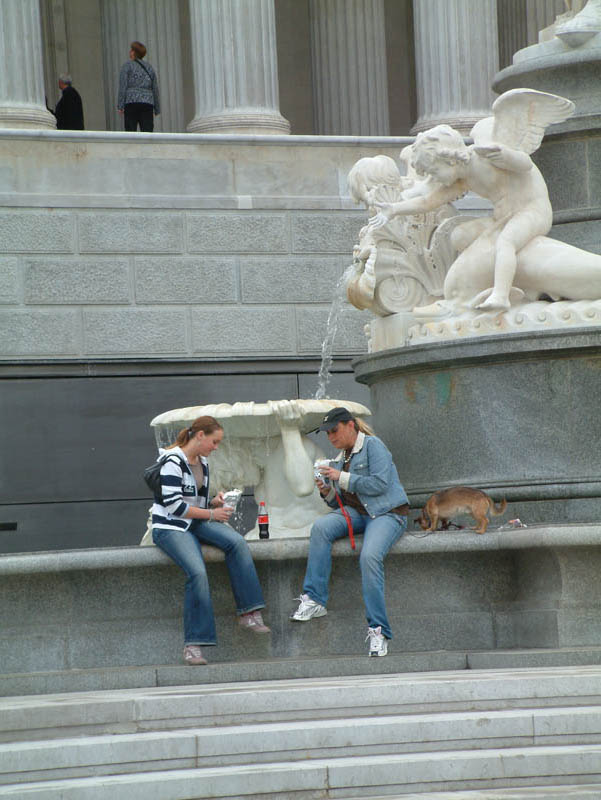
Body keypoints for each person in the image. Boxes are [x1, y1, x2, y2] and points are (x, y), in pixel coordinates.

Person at [290, 407, 409, 657]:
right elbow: (342, 503)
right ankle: (315, 599)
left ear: (350, 425)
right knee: (321, 528)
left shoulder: (373, 446)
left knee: (369, 557)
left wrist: (341, 477)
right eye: (327, 433)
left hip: (388, 513)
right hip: (361, 514)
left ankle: (379, 630)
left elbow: (379, 484)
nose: (331, 437)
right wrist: (327, 492)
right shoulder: (342, 456)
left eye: (334, 430)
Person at [152, 415, 270, 666]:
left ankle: (249, 612)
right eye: (214, 442)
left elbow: (193, 501)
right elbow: (174, 506)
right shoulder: (172, 461)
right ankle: (193, 645)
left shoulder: (202, 462)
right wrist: (212, 513)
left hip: (195, 521)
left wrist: (214, 502)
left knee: (237, 543)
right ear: (200, 435)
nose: (216, 447)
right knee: (197, 572)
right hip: (170, 527)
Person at [118, 40, 160, 132]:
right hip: (147, 103)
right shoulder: (149, 68)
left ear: (133, 52)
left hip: (131, 102)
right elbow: (155, 88)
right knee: (147, 132)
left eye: (131, 50)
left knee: (131, 132)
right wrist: (157, 108)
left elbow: (123, 86)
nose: (130, 52)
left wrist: (120, 105)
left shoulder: (127, 66)